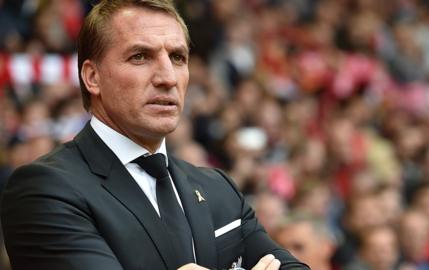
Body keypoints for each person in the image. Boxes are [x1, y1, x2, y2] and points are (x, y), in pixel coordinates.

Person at [0, 1, 309, 270]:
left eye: (177, 58)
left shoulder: (219, 189)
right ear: (93, 77)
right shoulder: (45, 189)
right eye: (140, 56)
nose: (167, 78)